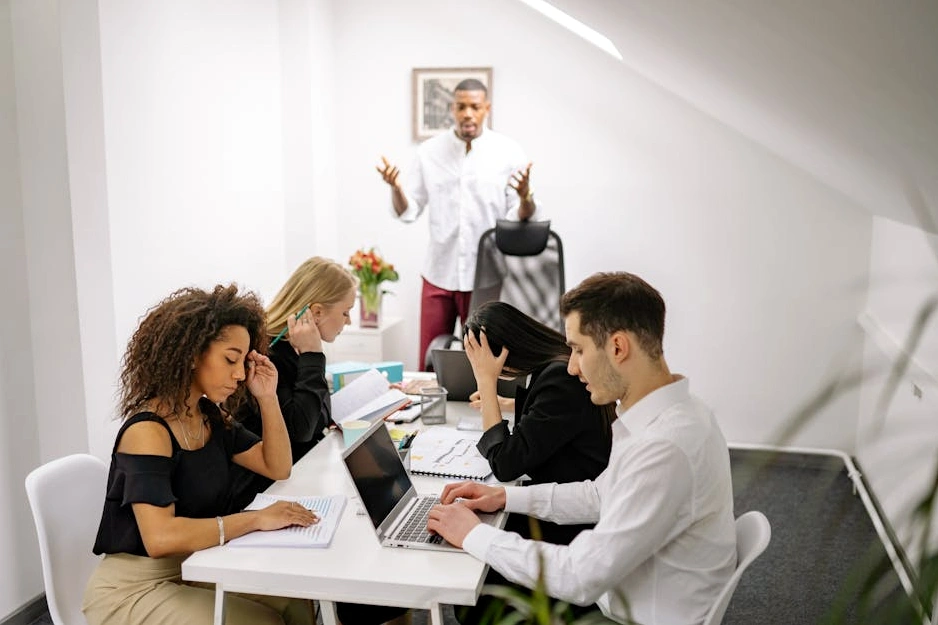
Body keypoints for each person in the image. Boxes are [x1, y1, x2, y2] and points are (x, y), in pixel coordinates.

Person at [427, 272, 738, 625]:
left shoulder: (664, 448)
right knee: (484, 577)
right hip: (628, 592)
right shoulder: (678, 414)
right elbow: (598, 496)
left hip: (622, 615)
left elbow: (579, 577)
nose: (572, 367)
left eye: (578, 349)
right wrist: (504, 498)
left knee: (480, 592)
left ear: (618, 348)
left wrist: (474, 533)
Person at [83, 285, 319, 625]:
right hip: (133, 589)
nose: (240, 374)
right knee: (264, 622)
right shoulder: (147, 432)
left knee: (294, 600)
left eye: (243, 361)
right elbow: (160, 538)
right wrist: (254, 520)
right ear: (193, 354)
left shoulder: (207, 416)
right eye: (230, 358)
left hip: (195, 566)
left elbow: (277, 466)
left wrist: (267, 397)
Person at [376, 78, 539, 368]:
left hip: (485, 275)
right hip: (438, 273)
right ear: (452, 108)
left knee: (485, 361)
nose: (467, 113)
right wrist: (396, 188)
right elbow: (408, 211)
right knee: (428, 358)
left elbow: (520, 214)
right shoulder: (429, 152)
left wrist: (526, 196)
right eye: (461, 106)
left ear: (486, 108)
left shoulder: (508, 152)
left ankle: (482, 412)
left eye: (474, 106)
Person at [462, 301, 615, 545]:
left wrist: (486, 381)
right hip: (564, 504)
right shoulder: (554, 366)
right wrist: (507, 403)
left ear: (503, 354)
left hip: (569, 524)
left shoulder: (562, 377)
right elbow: (553, 419)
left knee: (468, 525)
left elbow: (505, 464)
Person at [226, 256, 357, 513]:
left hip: (294, 477)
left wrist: (311, 357)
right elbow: (301, 430)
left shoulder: (294, 348)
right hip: (262, 493)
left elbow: (321, 416)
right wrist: (313, 356)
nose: (349, 321)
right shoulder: (266, 356)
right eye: (345, 312)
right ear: (316, 312)